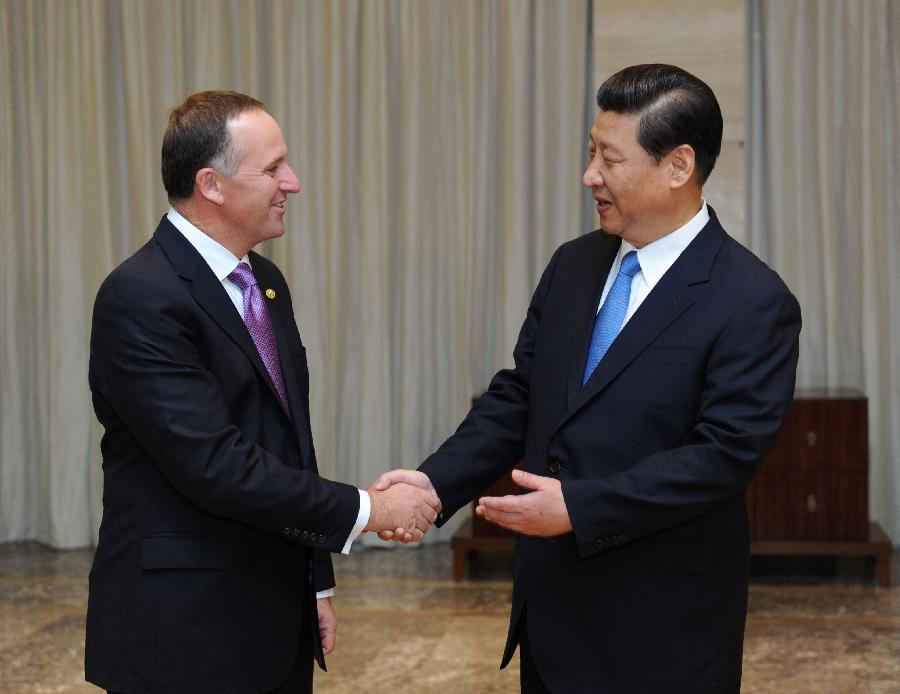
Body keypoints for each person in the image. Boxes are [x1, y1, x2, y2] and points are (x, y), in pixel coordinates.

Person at [376, 64, 801, 693]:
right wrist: (436, 483)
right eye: (589, 152)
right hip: (551, 613)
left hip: (661, 631)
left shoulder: (752, 299)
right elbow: (522, 392)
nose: (590, 176)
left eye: (609, 157)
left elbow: (723, 456)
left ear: (678, 165)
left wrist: (580, 506)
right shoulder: (574, 265)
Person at [85, 90, 440, 694]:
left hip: (273, 614)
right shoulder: (142, 295)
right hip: (184, 629)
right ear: (212, 185)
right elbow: (213, 464)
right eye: (273, 168)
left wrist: (316, 583)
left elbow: (289, 443)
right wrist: (369, 510)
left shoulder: (263, 281)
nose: (293, 182)